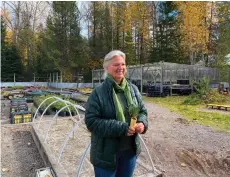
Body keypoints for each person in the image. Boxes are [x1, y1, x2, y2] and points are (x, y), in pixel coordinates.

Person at [85, 50, 148, 177]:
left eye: (123, 64)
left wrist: (142, 123)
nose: (121, 68)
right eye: (116, 65)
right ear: (106, 67)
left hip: (129, 151)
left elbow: (142, 111)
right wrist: (122, 128)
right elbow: (91, 122)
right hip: (106, 154)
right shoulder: (98, 93)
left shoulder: (133, 89)